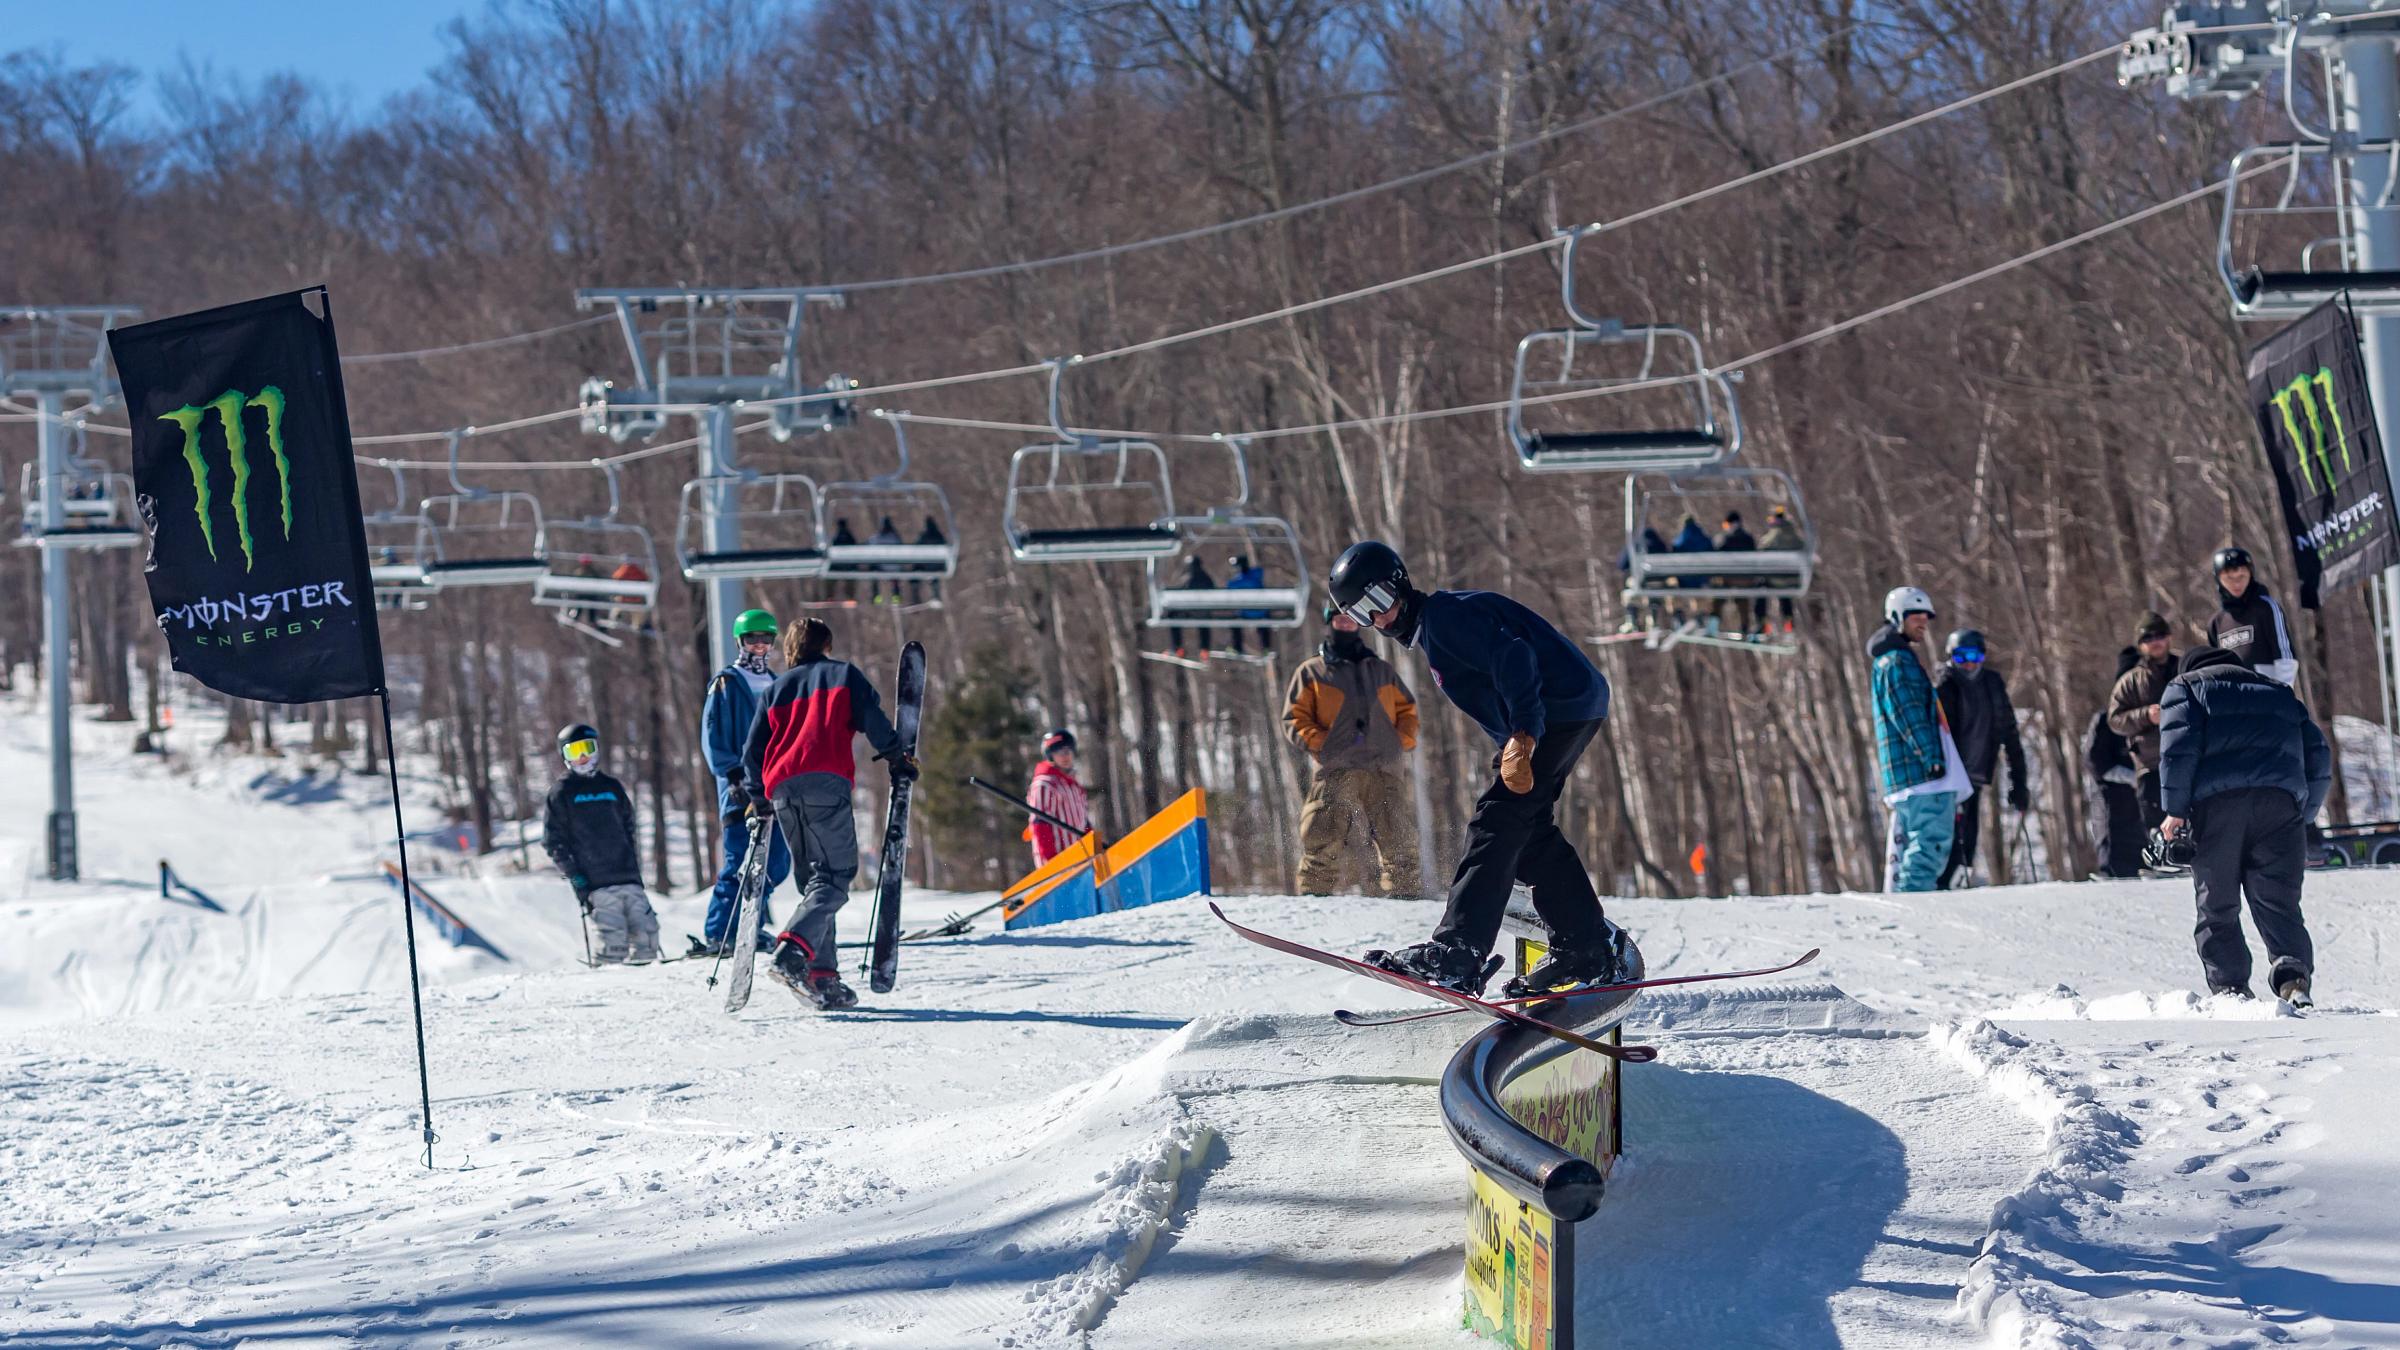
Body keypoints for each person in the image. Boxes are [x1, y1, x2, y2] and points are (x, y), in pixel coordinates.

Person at [1328, 540, 1617, 997]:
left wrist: (1524, 732)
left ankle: (1459, 950)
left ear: (1400, 583)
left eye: (1379, 600)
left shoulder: (1444, 620)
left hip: (1557, 709)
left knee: (1496, 822)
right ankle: (1584, 945)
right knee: (1527, 829)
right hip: (1570, 704)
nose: (1379, 619)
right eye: (1363, 613)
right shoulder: (1440, 621)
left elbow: (1513, 656)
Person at [738, 617, 915, 1009]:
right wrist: (896, 755)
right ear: (826, 645)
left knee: (816, 885)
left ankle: (822, 976)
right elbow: (873, 718)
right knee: (834, 877)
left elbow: (752, 752)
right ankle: (791, 954)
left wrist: (758, 797)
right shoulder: (843, 675)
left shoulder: (775, 689)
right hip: (823, 782)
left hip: (782, 791)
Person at [2158, 645, 2331, 1002]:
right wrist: (2305, 812)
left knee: (2217, 902)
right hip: (2280, 806)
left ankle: (2231, 987)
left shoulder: (2184, 686)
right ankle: (2293, 978)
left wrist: (2174, 810)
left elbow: (2178, 749)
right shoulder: (2279, 693)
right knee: (2278, 900)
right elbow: (2318, 754)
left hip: (2217, 808)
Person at [1284, 607, 1423, 897]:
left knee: (1400, 839)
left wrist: (1400, 742)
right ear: (1329, 624)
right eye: (1338, 619)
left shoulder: (1381, 669)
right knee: (1320, 839)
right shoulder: (1311, 671)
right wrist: (1323, 744)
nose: (1345, 623)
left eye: (1350, 619)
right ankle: (1314, 902)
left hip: (1383, 768)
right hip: (1337, 767)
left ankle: (1406, 902)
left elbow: (1407, 712)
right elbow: (1294, 719)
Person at [695, 608, 792, 957]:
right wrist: (732, 773)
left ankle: (751, 925)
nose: (760, 647)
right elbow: (712, 734)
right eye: (753, 639)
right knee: (741, 862)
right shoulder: (727, 682)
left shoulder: (777, 682)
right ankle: (721, 931)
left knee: (776, 863)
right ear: (740, 641)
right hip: (741, 788)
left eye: (766, 639)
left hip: (776, 785)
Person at [1870, 586, 1967, 892]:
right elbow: (1907, 713)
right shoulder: (1897, 662)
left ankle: (1912, 901)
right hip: (1920, 772)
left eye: (1927, 616)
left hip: (1912, 773)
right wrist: (1931, 758)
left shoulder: (1895, 659)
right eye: (1916, 616)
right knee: (1930, 845)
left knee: (1920, 844)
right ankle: (1916, 906)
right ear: (1897, 616)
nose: (1923, 622)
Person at [542, 723, 661, 964]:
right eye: (575, 752)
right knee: (613, 944)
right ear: (565, 756)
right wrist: (576, 877)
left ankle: (646, 985)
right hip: (596, 883)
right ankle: (609, 987)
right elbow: (553, 841)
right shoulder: (562, 792)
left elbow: (628, 826)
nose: (583, 757)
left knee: (647, 938)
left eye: (587, 749)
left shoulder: (611, 787)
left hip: (627, 877)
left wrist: (634, 865)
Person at [1934, 628, 2030, 888]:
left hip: (1974, 777)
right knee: (1951, 842)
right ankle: (1939, 888)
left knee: (1969, 839)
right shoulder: (1944, 686)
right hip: (1948, 780)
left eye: (1974, 656)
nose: (1968, 663)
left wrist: (2018, 782)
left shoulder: (1992, 684)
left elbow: (2010, 734)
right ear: (1950, 657)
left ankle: (1954, 886)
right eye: (1961, 657)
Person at [2107, 613, 2178, 838]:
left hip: (2190, 759)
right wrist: (2145, 715)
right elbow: (2115, 720)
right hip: (2151, 764)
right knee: (2157, 825)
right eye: (2148, 638)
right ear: (2140, 645)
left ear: (2169, 637)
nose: (2155, 642)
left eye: (2159, 635)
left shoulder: (2186, 668)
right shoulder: (2130, 681)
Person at [2085, 646, 2145, 880]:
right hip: (2113, 805)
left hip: (2140, 808)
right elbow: (2095, 762)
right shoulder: (2104, 720)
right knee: (2115, 862)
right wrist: (2132, 777)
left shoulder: (2149, 718)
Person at [2205, 546, 2300, 686]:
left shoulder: (2267, 608)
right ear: (2218, 579)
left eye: (2241, 576)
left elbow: (2286, 657)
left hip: (2268, 696)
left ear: (2251, 574)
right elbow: (2216, 669)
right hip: (2236, 702)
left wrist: (2282, 694)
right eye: (2229, 578)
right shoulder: (2216, 623)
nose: (2236, 583)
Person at [1025, 728, 1093, 866]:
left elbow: (1084, 824)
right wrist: (1052, 861)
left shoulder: (1075, 786)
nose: (1065, 756)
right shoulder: (1044, 785)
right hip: (1057, 864)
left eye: (1067, 751)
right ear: (1051, 756)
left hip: (1080, 860)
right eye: (1058, 752)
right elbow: (1040, 825)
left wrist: (1092, 846)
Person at [1756, 505, 1804, 637]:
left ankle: (1762, 623)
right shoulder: (1794, 535)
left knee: (1761, 589)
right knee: (1785, 595)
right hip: (1792, 578)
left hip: (1775, 578)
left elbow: (1761, 550)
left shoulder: (1773, 536)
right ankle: (1789, 624)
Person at [1712, 510, 1757, 638]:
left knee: (1719, 593)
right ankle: (1745, 626)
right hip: (1747, 579)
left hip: (1730, 578)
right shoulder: (1748, 538)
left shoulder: (1726, 539)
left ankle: (1713, 622)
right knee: (1743, 599)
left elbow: (1718, 556)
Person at [1616, 524, 1668, 633]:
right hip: (1657, 582)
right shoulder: (1660, 545)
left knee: (1630, 591)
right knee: (1654, 592)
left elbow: (1622, 564)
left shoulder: (1635, 545)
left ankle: (1632, 620)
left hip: (1640, 581)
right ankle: (1653, 620)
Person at [1667, 513, 1715, 629]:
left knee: (1672, 584)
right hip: (1701, 578)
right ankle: (1700, 615)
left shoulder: (1680, 540)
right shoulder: (1704, 538)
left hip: (1684, 578)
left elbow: (1673, 556)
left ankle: (1678, 614)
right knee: (1700, 588)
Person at [1167, 554, 1216, 658]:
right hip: (1204, 613)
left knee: (1172, 615)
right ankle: (1204, 649)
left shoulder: (1187, 578)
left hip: (1189, 612)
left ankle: (1177, 647)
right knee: (1204, 620)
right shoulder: (1207, 578)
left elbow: (1179, 596)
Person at [1225, 553, 1273, 656]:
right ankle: (1266, 647)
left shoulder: (1237, 581)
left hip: (1246, 613)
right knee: (1263, 623)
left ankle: (1237, 647)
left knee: (1234, 622)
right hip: (1261, 613)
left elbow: (1229, 588)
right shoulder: (1256, 576)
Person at [867, 515, 904, 604]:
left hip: (882, 567)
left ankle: (876, 595)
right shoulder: (895, 536)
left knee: (873, 571)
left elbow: (870, 543)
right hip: (895, 567)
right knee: (895, 577)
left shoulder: (878, 537)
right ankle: (896, 596)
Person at [912, 515, 948, 605]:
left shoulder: (924, 536)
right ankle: (936, 595)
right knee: (935, 575)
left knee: (916, 570)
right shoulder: (939, 536)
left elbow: (917, 548)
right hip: (937, 565)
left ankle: (915, 595)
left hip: (926, 565)